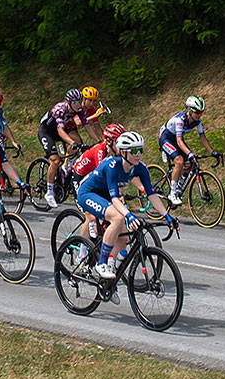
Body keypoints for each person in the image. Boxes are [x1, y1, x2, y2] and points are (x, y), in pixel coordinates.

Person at [73, 131, 170, 281]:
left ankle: (110, 275)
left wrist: (167, 216)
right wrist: (129, 215)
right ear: (124, 152)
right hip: (88, 193)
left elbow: (151, 194)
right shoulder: (112, 165)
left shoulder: (140, 168)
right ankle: (101, 263)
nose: (139, 155)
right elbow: (115, 198)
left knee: (124, 237)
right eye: (135, 151)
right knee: (118, 218)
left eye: (141, 150)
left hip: (105, 195)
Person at [158, 95, 212, 199]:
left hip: (177, 139)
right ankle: (172, 193)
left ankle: (178, 184)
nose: (199, 115)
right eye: (197, 112)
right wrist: (189, 153)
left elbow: (203, 137)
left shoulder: (198, 122)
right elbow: (179, 141)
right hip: (166, 138)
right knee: (179, 161)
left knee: (192, 162)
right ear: (190, 111)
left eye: (201, 112)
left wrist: (212, 152)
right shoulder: (180, 120)